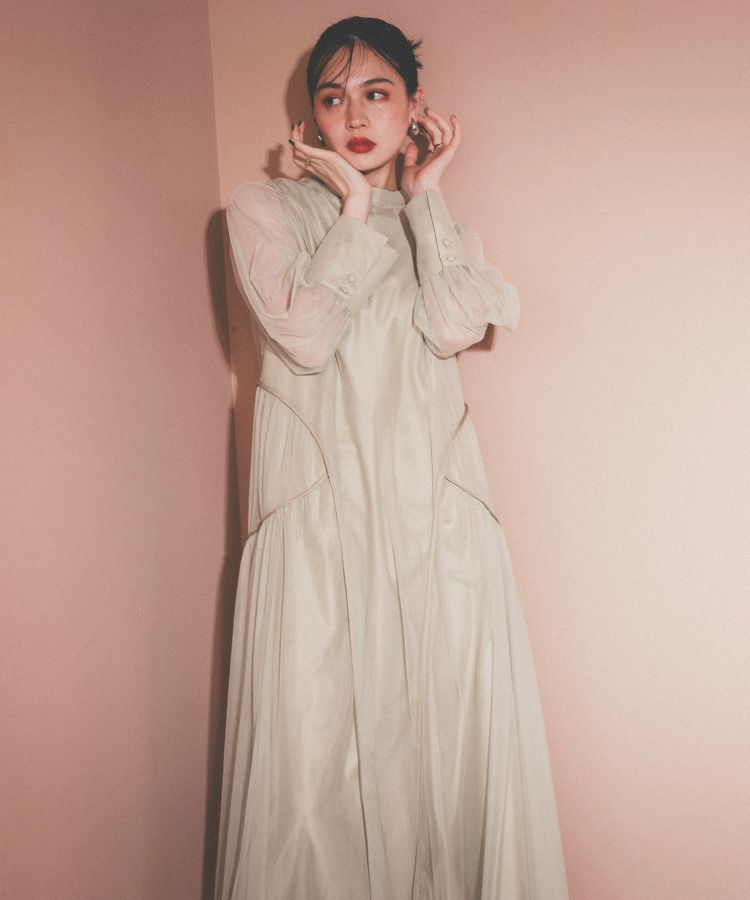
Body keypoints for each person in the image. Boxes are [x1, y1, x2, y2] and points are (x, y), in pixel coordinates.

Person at [213, 16, 569, 900]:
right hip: (319, 527)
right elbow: (302, 337)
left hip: (433, 520)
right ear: (311, 116)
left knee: (450, 753)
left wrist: (427, 193)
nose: (355, 115)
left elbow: (453, 327)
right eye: (333, 97)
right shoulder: (264, 210)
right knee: (313, 767)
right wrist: (354, 207)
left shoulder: (440, 228)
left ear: (416, 108)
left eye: (378, 93)